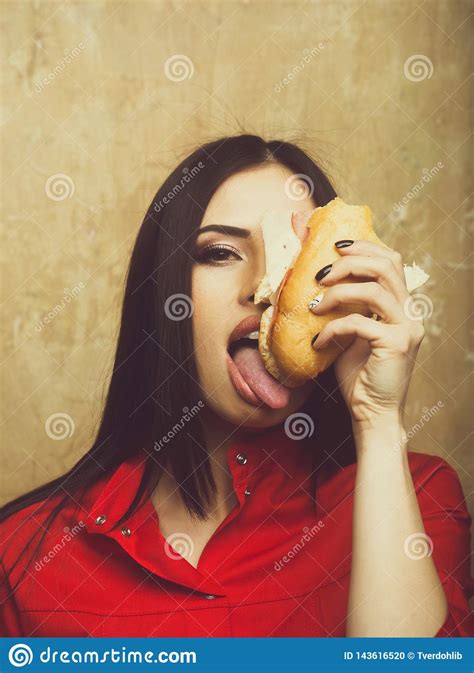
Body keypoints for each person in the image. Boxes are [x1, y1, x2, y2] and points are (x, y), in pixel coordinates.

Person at [1, 135, 472, 637]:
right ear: (165, 292)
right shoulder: (25, 553)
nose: (265, 285)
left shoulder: (415, 499)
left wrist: (378, 419)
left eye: (297, 256)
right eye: (221, 252)